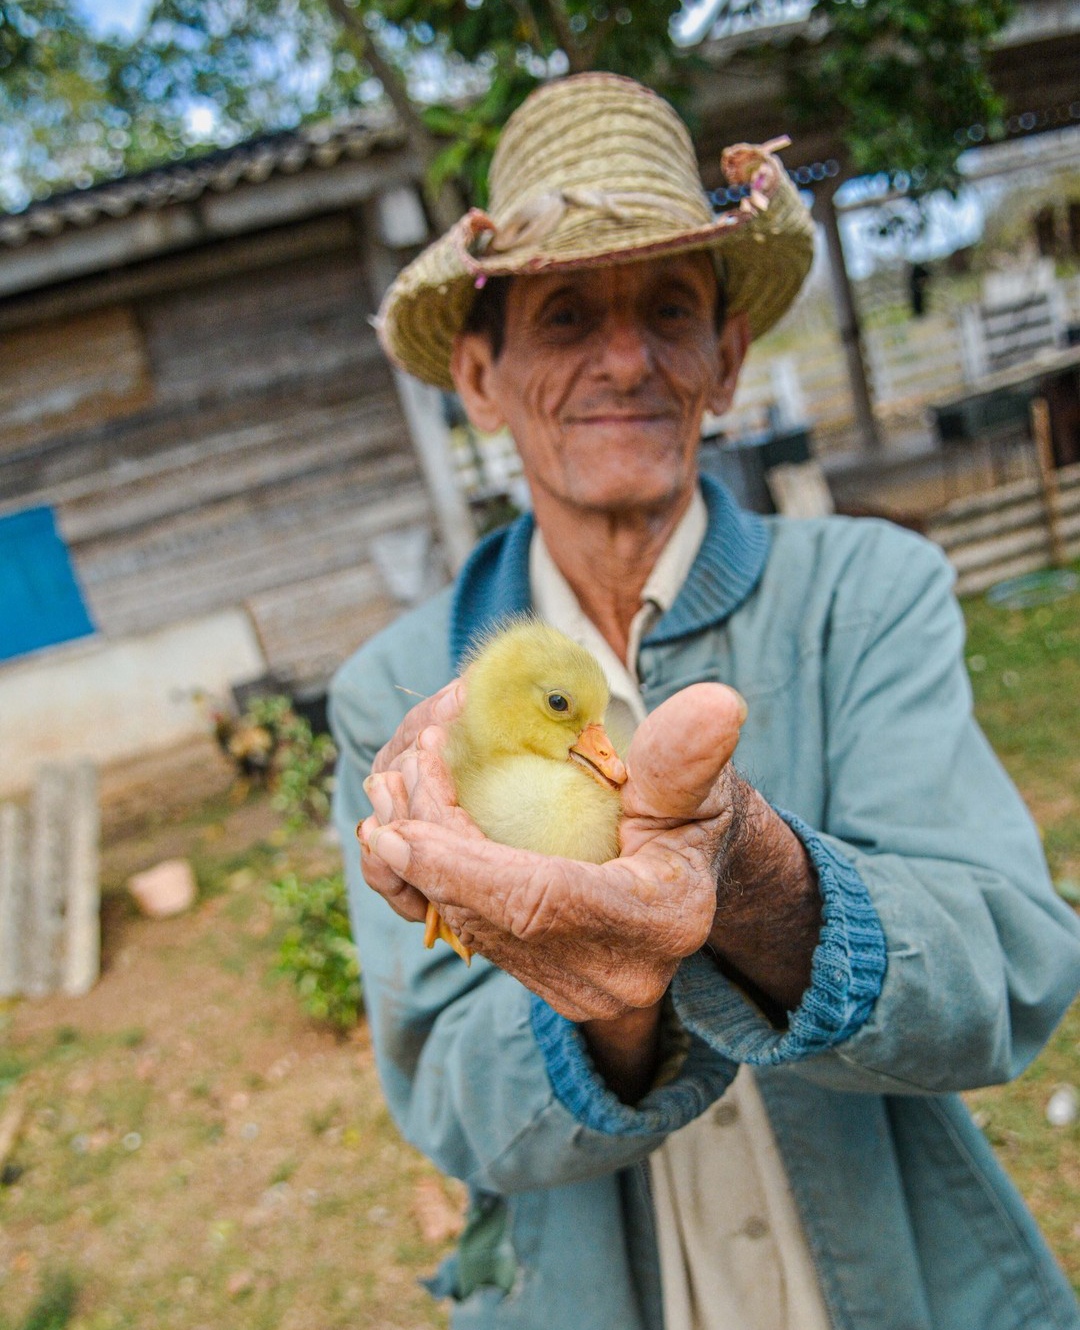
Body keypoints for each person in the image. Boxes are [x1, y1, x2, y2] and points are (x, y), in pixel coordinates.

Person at [329, 73, 1080, 1330]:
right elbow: (448, 1090)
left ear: (725, 360)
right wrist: (611, 1014)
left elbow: (1009, 966)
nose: (625, 359)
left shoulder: (868, 590)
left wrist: (750, 877)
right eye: (566, 315)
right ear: (479, 376)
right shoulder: (395, 701)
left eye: (670, 311)